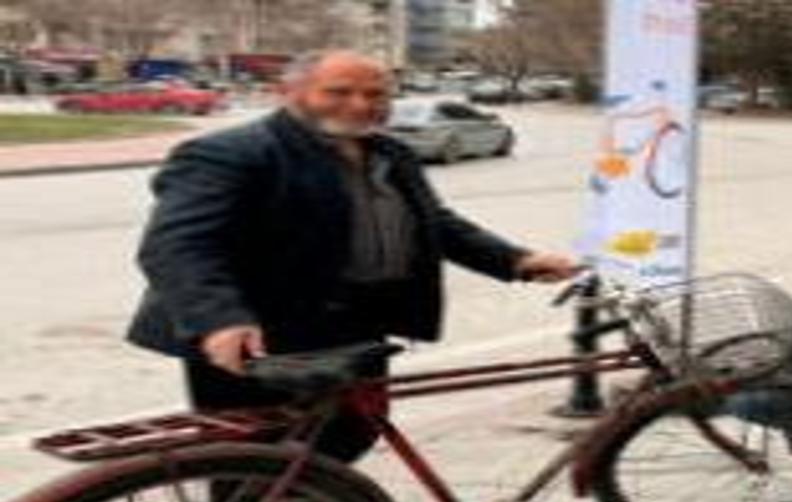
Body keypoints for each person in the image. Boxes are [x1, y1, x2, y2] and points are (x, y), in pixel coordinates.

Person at [127, 49, 578, 459]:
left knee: (348, 437)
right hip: (258, 336)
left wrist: (515, 260)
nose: (361, 105)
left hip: (353, 327)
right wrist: (218, 319)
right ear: (290, 92)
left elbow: (435, 223)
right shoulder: (229, 153)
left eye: (376, 94)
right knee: (253, 462)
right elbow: (177, 244)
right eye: (339, 92)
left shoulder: (390, 152)